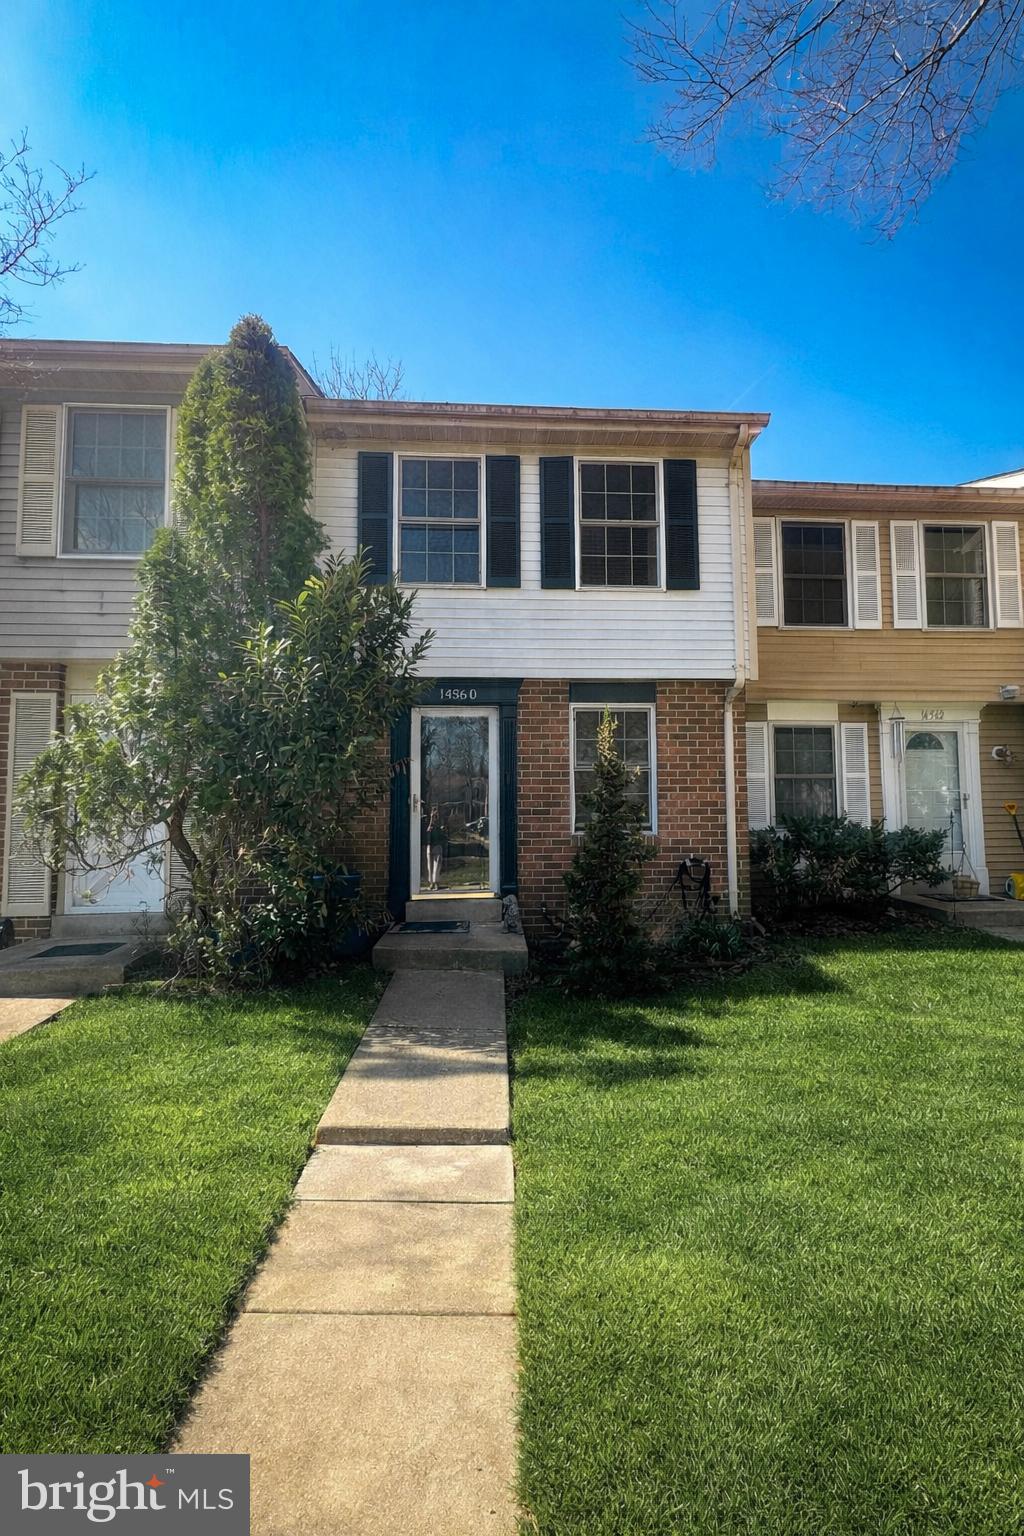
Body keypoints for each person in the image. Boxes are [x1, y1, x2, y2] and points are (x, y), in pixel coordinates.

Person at [424, 807, 445, 890]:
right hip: (430, 845)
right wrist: (431, 819)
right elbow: (428, 831)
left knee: (437, 865)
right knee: (430, 866)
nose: (435, 815)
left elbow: (441, 833)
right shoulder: (427, 822)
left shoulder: (440, 823)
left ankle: (436, 882)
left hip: (437, 845)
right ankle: (431, 883)